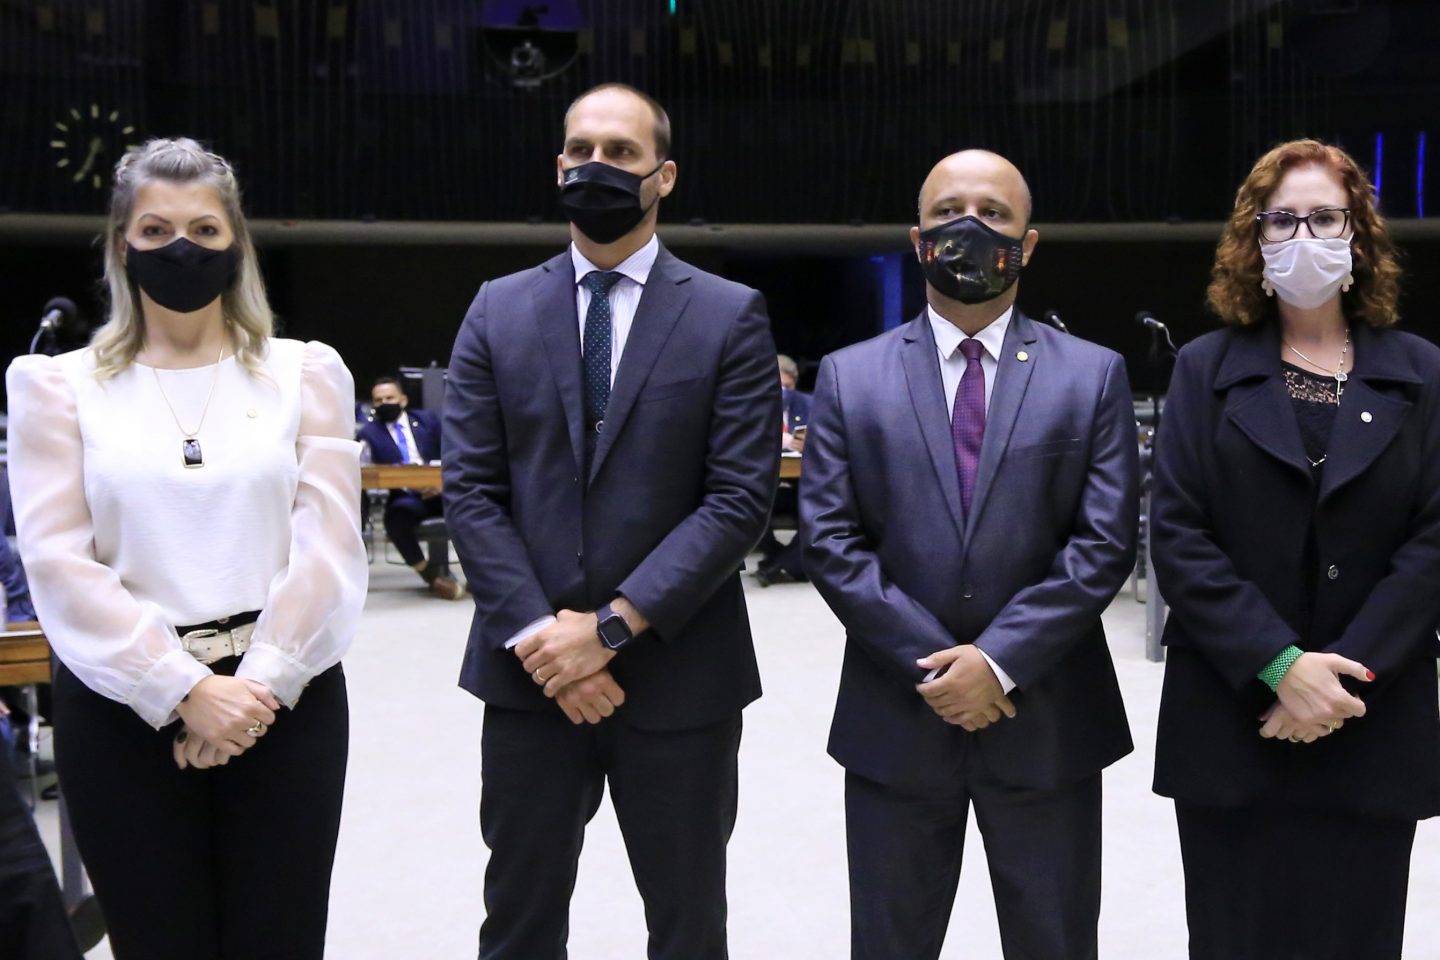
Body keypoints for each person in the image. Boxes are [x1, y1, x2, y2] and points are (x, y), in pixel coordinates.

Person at [5, 137, 367, 960]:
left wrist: (256, 689)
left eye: (204, 230)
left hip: (287, 696)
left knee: (281, 940)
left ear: (236, 242)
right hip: (122, 710)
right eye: (157, 229)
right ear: (121, 245)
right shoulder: (56, 385)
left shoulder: (304, 372)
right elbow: (59, 564)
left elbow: (329, 548)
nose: (181, 248)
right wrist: (181, 690)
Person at [443, 83, 780, 960]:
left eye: (622, 153)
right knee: (517, 918)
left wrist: (613, 628)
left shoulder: (726, 313)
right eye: (582, 151)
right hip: (529, 676)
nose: (599, 166)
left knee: (687, 919)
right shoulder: (496, 307)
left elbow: (737, 497)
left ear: (662, 175)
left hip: (678, 674)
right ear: (559, 167)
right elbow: (473, 492)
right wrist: (546, 642)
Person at [801, 149, 1138, 960]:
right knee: (890, 943)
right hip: (898, 717)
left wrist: (999, 662)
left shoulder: (1092, 378)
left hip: (1048, 720)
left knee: (1055, 942)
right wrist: (942, 668)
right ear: (918, 241)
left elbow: (1102, 545)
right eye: (950, 210)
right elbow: (832, 542)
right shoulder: (850, 378)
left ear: (1028, 243)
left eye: (993, 212)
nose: (970, 227)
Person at [1150, 138, 1440, 960]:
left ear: (1359, 236)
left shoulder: (1422, 372)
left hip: (1370, 717)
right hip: (1237, 723)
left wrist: (1340, 676)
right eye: (1282, 220)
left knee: (1359, 937)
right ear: (1254, 240)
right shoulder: (1204, 370)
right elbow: (1179, 536)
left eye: (1324, 217)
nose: (1303, 236)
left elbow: (1433, 545)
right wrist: (1282, 667)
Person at [358, 375, 463, 599]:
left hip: (443, 491)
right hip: (407, 496)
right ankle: (432, 577)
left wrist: (442, 483)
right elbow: (366, 469)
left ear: (403, 399)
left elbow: (453, 451)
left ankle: (479, 575)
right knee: (395, 519)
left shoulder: (429, 420)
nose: (385, 403)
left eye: (390, 397)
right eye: (379, 400)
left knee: (474, 511)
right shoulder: (369, 433)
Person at [755, 353, 811, 586]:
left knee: (819, 509)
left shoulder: (809, 404)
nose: (783, 392)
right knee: (748, 506)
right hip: (764, 485)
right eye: (778, 386)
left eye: (788, 386)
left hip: (801, 485)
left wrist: (811, 443)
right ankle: (783, 560)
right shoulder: (750, 406)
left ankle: (780, 563)